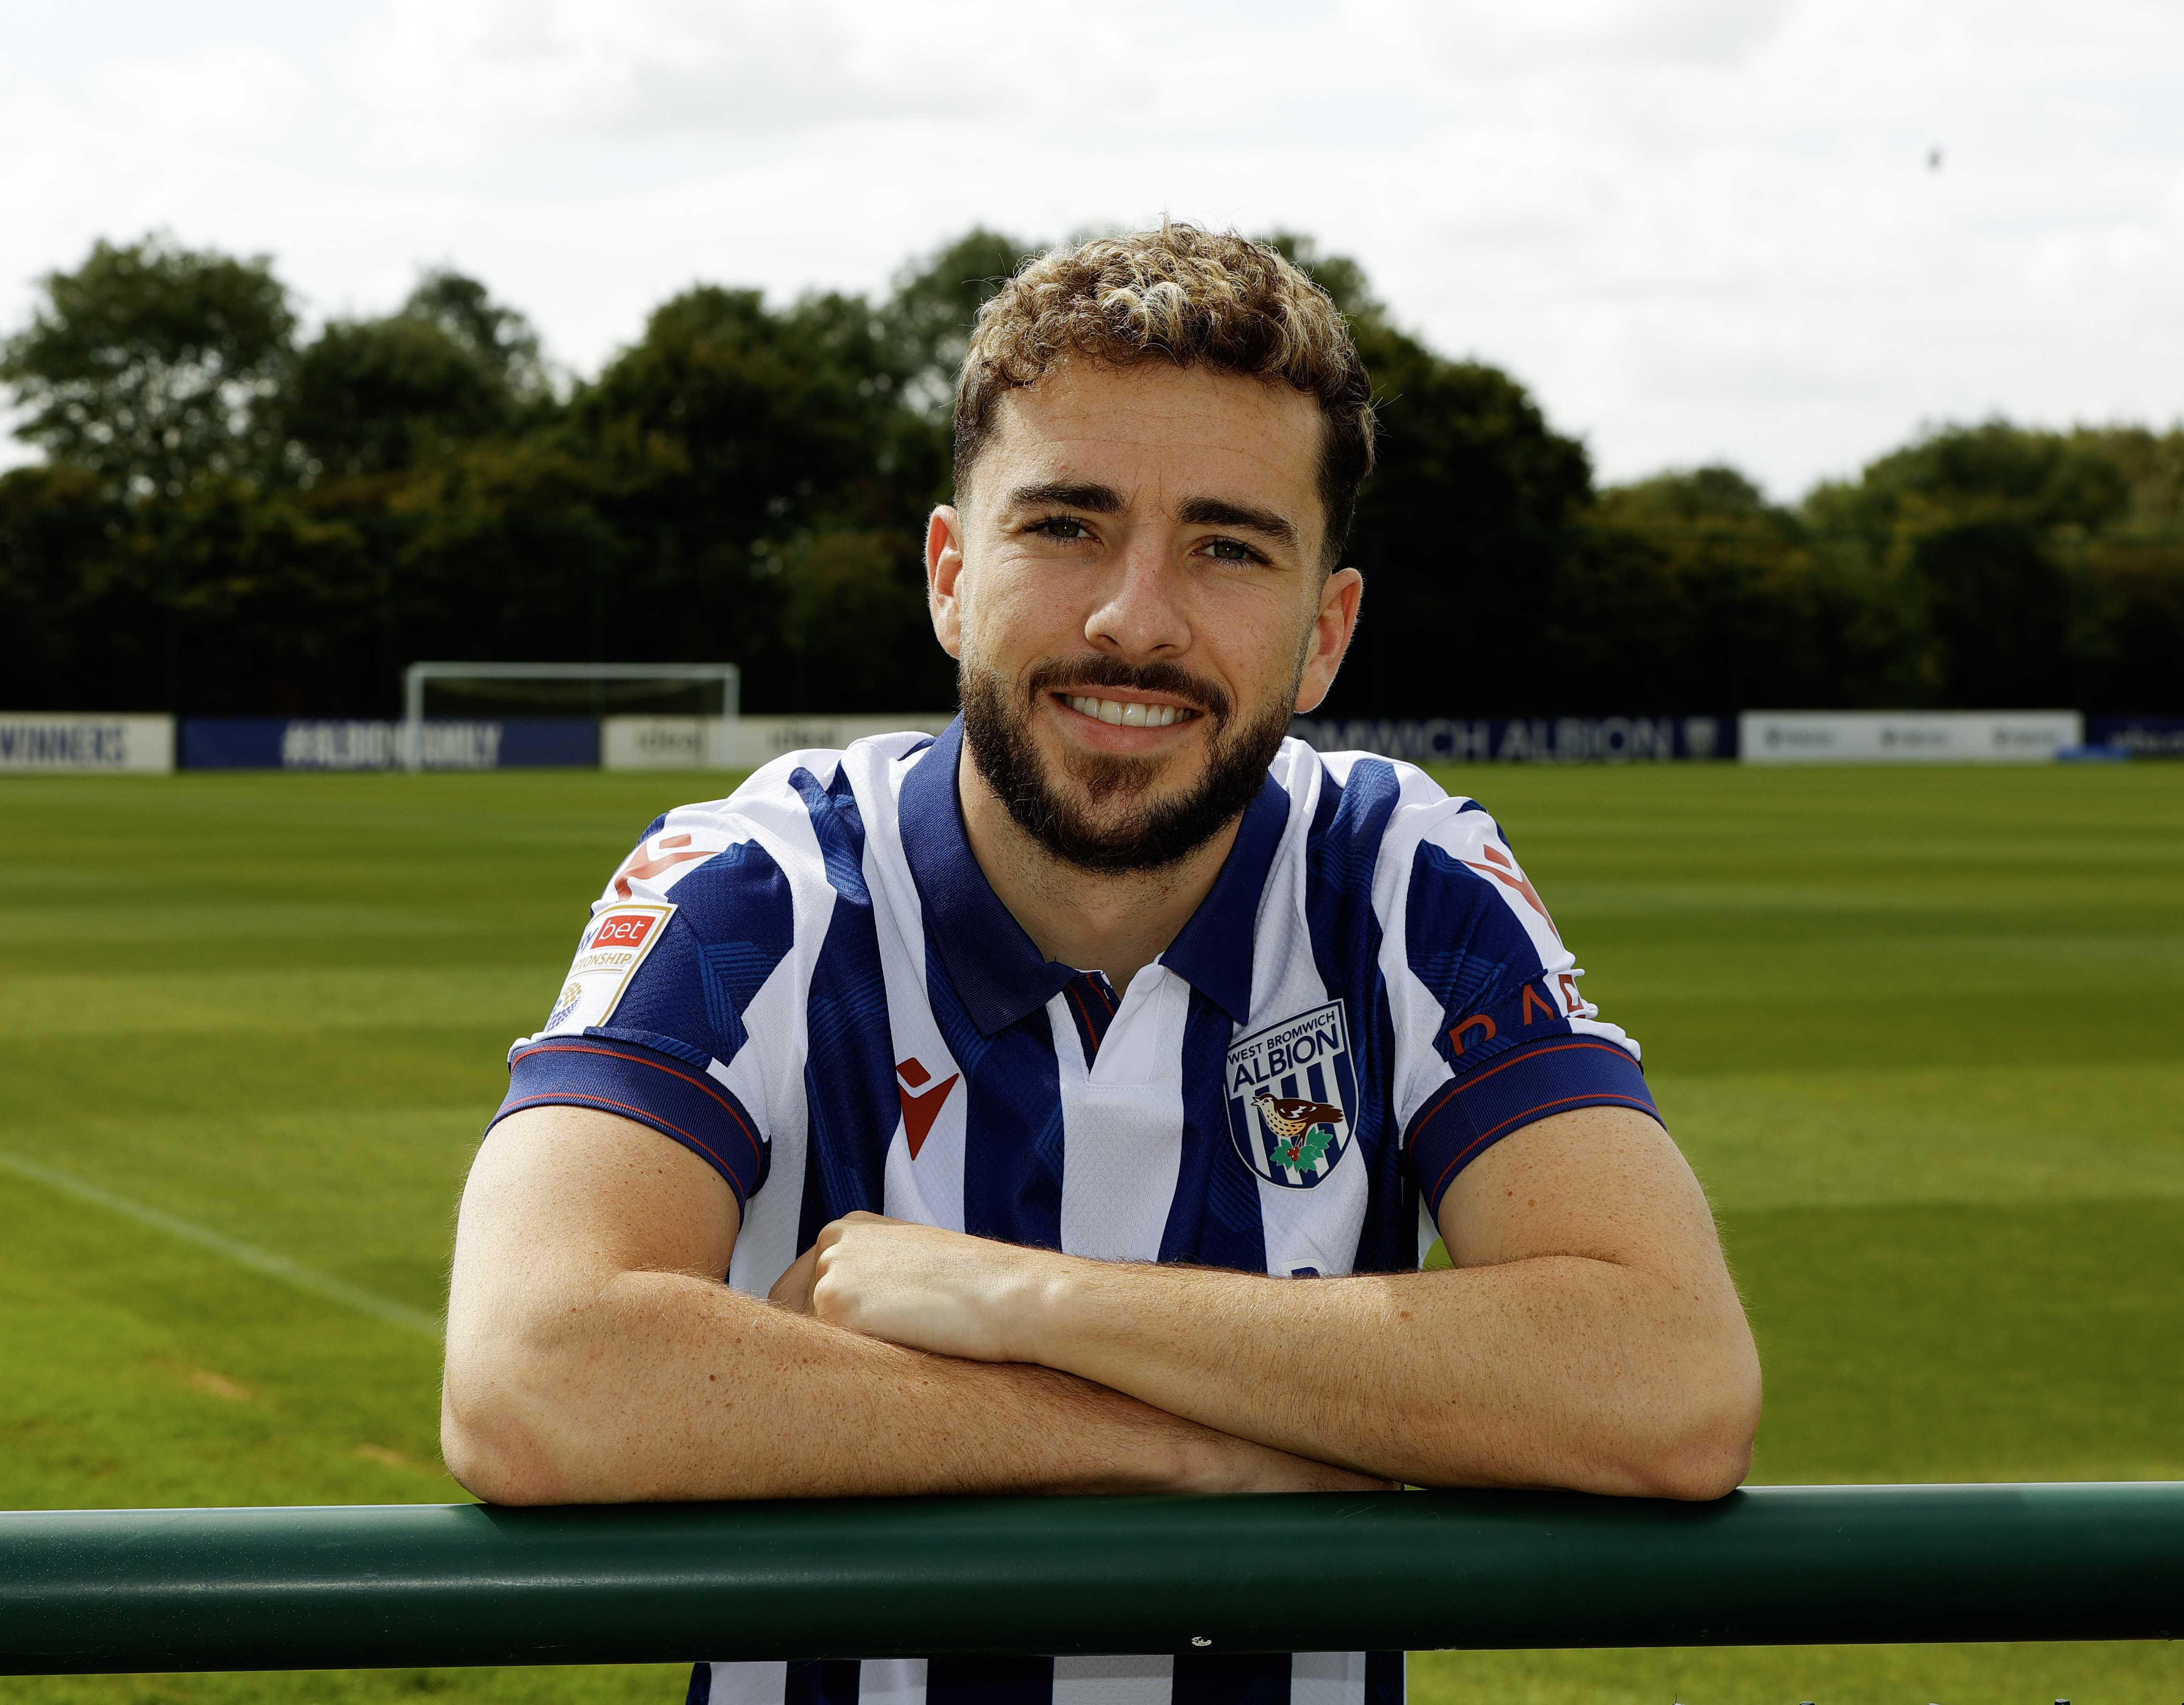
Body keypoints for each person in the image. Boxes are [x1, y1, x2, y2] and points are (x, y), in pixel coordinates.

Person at [441, 224, 1762, 1705]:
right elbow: (534, 1376)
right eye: (1066, 525)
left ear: (1325, 635)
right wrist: (1195, 1447)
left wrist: (1027, 1303)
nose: (1136, 617)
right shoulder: (759, 887)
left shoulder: (1401, 879)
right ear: (951, 576)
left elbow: (1669, 1383)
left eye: (1227, 546)